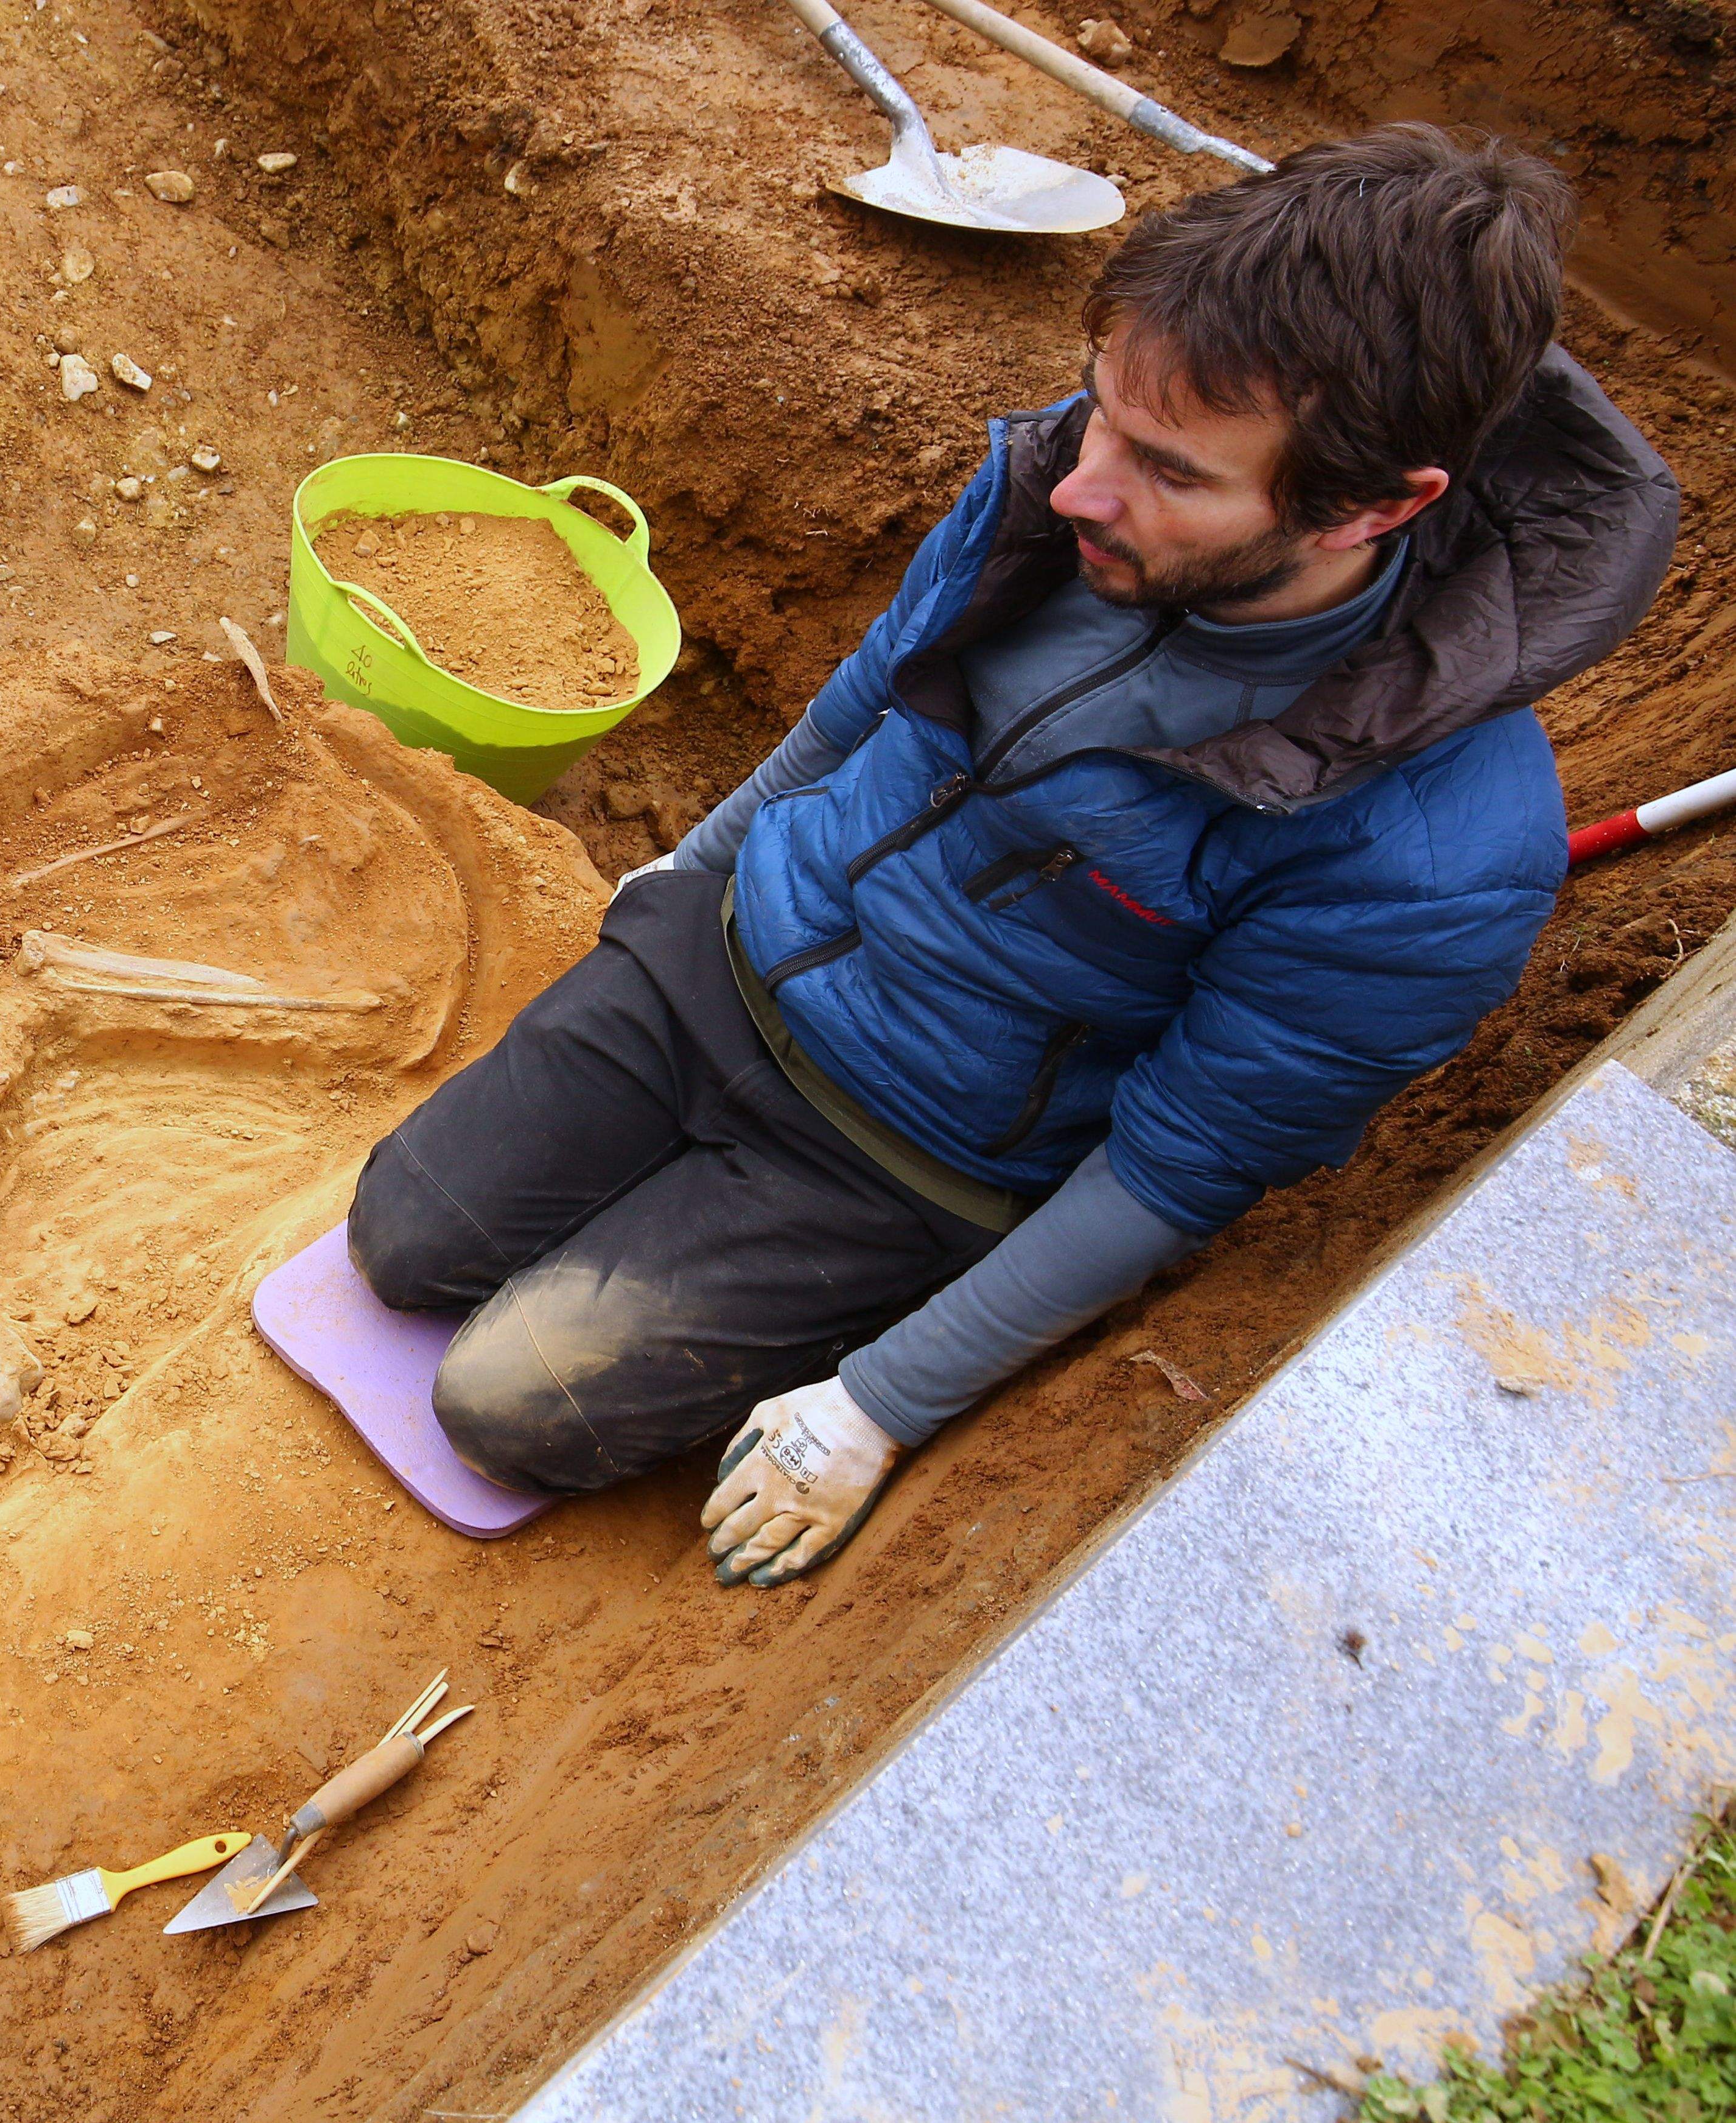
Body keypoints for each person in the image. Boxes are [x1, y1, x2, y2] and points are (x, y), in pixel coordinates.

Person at [348, 125, 1678, 1584]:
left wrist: (881, 1400)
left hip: (900, 1156)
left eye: (1167, 469)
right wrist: (691, 873)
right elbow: (868, 695)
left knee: (499, 1402)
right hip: (732, 955)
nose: (1080, 485)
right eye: (1103, 414)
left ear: (1374, 506)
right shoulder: (1070, 482)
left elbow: (1181, 1171)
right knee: (398, 1241)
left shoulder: (1430, 853)